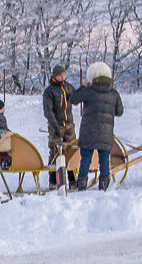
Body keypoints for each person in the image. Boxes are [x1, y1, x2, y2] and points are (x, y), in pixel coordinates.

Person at [69, 61, 123, 191]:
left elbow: (73, 100)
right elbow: (119, 112)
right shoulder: (114, 93)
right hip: (106, 132)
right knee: (104, 159)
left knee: (85, 158)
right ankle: (104, 185)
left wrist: (83, 87)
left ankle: (81, 184)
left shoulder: (88, 91)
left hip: (88, 132)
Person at [43, 65, 77, 188]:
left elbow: (76, 98)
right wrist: (55, 126)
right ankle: (53, 180)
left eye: (64, 75)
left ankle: (72, 179)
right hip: (56, 126)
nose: (62, 77)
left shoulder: (69, 88)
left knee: (72, 151)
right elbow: (48, 111)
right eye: (60, 75)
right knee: (55, 153)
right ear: (55, 76)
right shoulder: (49, 91)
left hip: (69, 125)